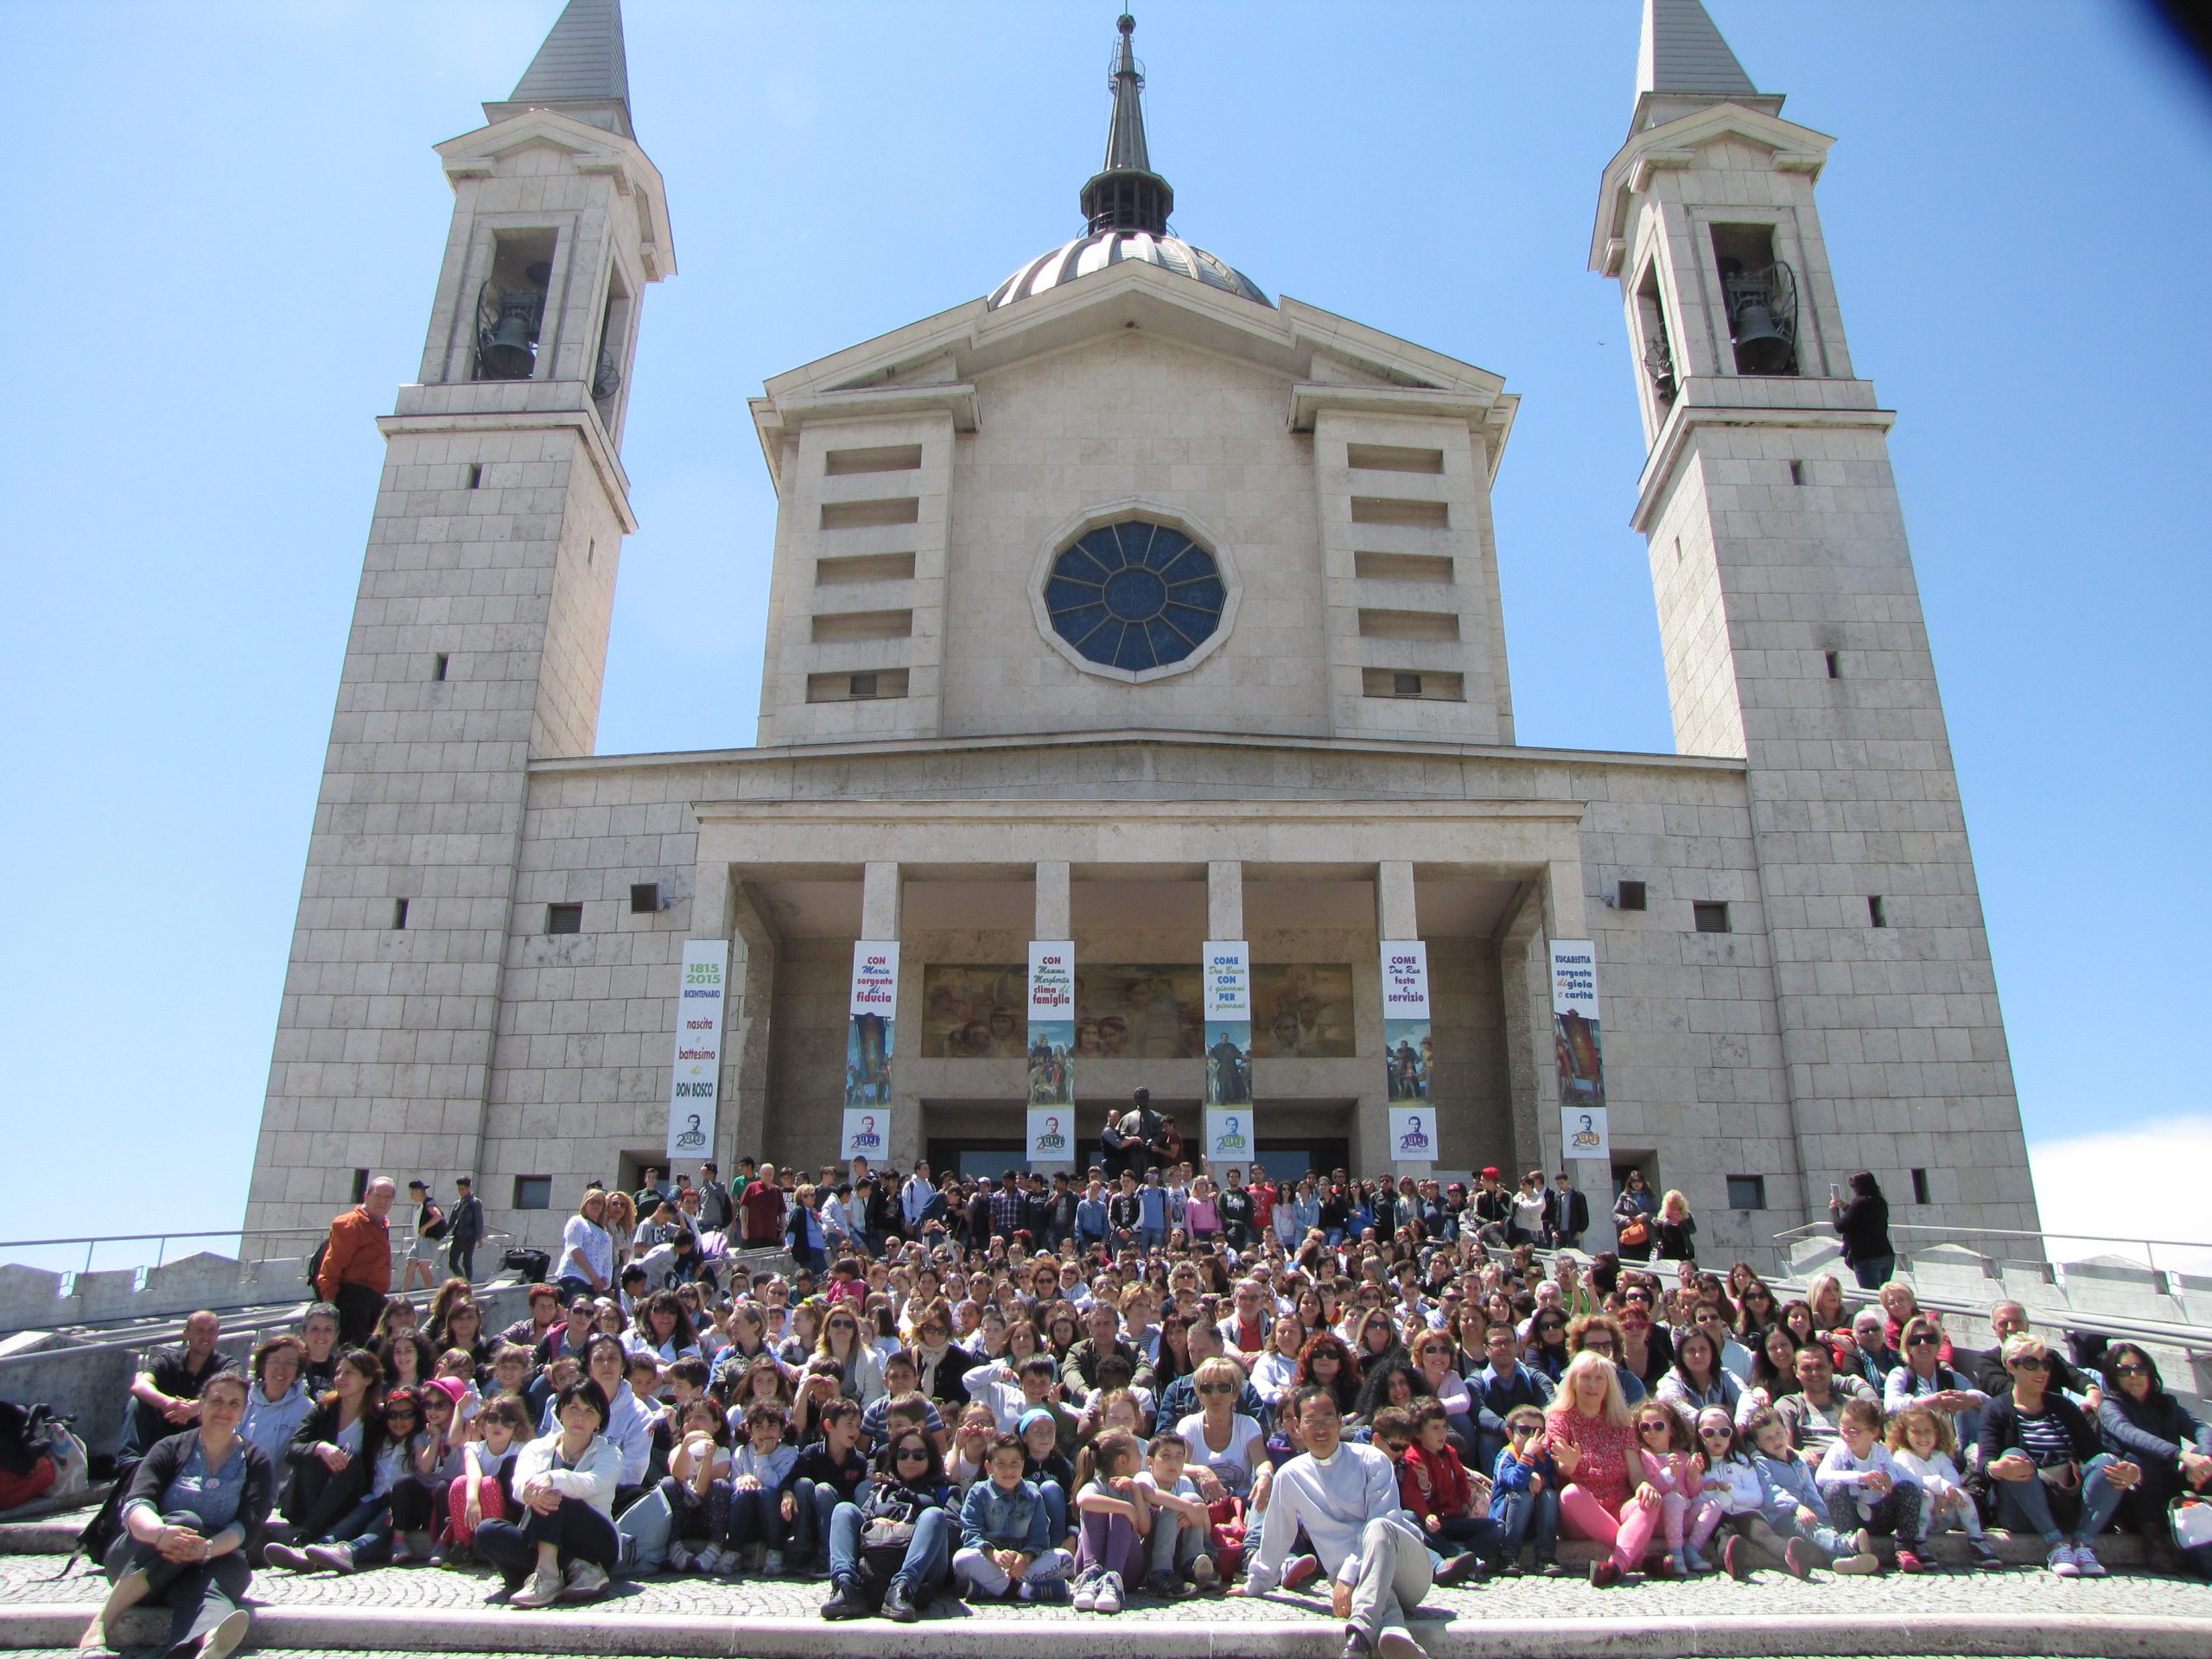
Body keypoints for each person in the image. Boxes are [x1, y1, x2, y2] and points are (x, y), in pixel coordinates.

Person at [1234, 1383, 1436, 1659]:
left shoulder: (1373, 1460)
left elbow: (1386, 1520)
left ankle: (1360, 1637)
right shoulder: (1290, 1476)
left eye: (1328, 1419)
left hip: (1406, 1570)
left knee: (1377, 1528)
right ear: (1297, 1425)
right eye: (1311, 1421)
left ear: (1341, 1421)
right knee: (1376, 1589)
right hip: (1354, 1582)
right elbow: (1276, 1537)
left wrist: (1347, 1576)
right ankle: (1394, 1632)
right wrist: (1255, 1583)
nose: (1320, 1429)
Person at [78, 1370, 270, 1659]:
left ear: (243, 1411)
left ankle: (209, 1641)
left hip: (208, 1556)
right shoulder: (170, 1448)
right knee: (186, 1522)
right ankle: (100, 1624)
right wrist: (160, 1534)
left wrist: (206, 1549)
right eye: (217, 1400)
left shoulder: (255, 1460)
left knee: (229, 1571)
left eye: (234, 1404)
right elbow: (137, 1505)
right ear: (201, 1403)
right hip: (142, 1553)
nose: (224, 1410)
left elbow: (247, 1526)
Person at [1980, 1332, 2139, 1578]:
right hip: (2023, 1507)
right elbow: (1985, 1462)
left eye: (2045, 1364)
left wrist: (2127, 1470)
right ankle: (2056, 1546)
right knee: (2014, 1455)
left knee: (2108, 1463)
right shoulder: (1997, 1409)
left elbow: (2095, 1453)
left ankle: (2083, 1545)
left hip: (2066, 1497)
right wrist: (1997, 1468)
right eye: (2031, 1364)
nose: (2041, 1371)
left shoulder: (2062, 1405)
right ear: (2012, 1367)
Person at [478, 1378, 621, 1605]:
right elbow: (520, 1483)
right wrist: (530, 1492)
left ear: (599, 1420)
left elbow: (596, 1482)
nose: (580, 1416)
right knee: (487, 1531)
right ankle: (565, 1569)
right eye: (573, 1408)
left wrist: (553, 1477)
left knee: (554, 1494)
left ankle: (551, 1574)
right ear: (561, 1411)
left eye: (589, 1410)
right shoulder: (537, 1447)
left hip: (595, 1543)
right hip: (541, 1536)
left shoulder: (609, 1452)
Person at [1544, 1351, 1660, 1587]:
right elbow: (1561, 1467)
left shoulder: (1621, 1421)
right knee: (1571, 1493)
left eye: (1600, 1378)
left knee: (1648, 1501)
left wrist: (1645, 1485)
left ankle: (1616, 1566)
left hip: (1619, 1504)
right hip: (1581, 1513)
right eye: (1586, 1377)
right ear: (1574, 1382)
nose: (1592, 1385)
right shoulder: (1559, 1418)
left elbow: (1636, 1474)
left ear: (1609, 1385)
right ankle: (1640, 1558)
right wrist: (1571, 1464)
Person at [2095, 1342, 2212, 1577]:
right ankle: (2153, 1539)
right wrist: (2181, 1455)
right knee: (2141, 1458)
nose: (2134, 1375)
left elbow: (2200, 1428)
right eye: (2124, 1370)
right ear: (2112, 1375)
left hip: (2167, 1483)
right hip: (2132, 1493)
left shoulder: (2166, 1403)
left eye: (2140, 1368)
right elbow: (2131, 1434)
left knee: (2204, 1457)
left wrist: (2204, 1458)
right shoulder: (2110, 1406)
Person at [818, 1427, 957, 1622]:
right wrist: (874, 1521)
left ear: (930, 1458)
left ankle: (903, 1588)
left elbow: (952, 1531)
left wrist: (911, 1524)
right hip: (877, 1559)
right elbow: (863, 1520)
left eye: (919, 1455)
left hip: (924, 1567)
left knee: (934, 1515)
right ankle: (845, 1586)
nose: (910, 1460)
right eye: (903, 1454)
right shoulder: (881, 1490)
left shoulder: (946, 1491)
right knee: (844, 1509)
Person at [953, 1430, 1073, 1601]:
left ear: (1023, 1465)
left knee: (1065, 1558)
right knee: (962, 1559)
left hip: (1023, 1565)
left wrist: (1024, 1559)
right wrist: (994, 1554)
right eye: (1001, 1464)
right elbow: (971, 1533)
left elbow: (1039, 1537)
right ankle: (1024, 1591)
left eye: (1015, 1463)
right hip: (990, 1562)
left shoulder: (1033, 1494)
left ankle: (990, 1588)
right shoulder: (978, 1493)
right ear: (989, 1467)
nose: (1009, 1470)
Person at [123, 1313, 238, 1469]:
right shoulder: (167, 1361)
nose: (206, 1336)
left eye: (211, 1331)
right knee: (138, 1402)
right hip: (166, 1423)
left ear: (218, 1334)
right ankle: (129, 1463)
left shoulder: (227, 1365)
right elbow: (140, 1385)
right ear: (186, 1334)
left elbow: (232, 1388)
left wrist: (195, 1408)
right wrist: (168, 1403)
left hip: (198, 1433)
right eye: (199, 1331)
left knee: (221, 1406)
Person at [315, 1179, 395, 1347]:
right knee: (354, 1353)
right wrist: (329, 1304)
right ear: (366, 1196)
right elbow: (332, 1265)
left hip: (375, 1299)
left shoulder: (382, 1224)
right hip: (354, 1299)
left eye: (388, 1197)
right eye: (378, 1195)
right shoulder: (350, 1223)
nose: (382, 1201)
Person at [1829, 1172, 1894, 1291]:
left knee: (1870, 1296)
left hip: (1867, 1257)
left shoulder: (1859, 1202)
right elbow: (1865, 1219)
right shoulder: (1879, 1202)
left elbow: (1840, 1226)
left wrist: (1834, 1210)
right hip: (1886, 1255)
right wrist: (1846, 1207)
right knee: (1885, 1295)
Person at [556, 1188, 614, 1305]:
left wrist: (604, 1281)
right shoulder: (577, 1222)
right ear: (585, 1203)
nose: (596, 1205)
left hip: (595, 1286)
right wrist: (594, 1277)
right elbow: (575, 1250)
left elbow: (608, 1262)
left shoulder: (606, 1235)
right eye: (592, 1201)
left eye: (600, 1202)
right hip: (574, 1278)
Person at [401, 1179, 446, 1294]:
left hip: (428, 1239)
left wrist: (425, 1227)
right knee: (411, 1264)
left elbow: (438, 1215)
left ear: (418, 1191)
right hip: (420, 1239)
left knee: (423, 1267)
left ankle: (430, 1295)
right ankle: (404, 1293)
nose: (412, 1197)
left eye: (412, 1193)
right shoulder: (422, 1206)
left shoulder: (429, 1203)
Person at [446, 1176, 485, 1285]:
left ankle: (467, 1283)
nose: (461, 1192)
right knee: (452, 1262)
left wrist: (479, 1238)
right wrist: (441, 1232)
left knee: (466, 1262)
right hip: (458, 1236)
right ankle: (463, 1281)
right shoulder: (458, 1203)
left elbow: (479, 1221)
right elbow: (451, 1221)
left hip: (469, 1236)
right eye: (459, 1189)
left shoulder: (475, 1202)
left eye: (463, 1189)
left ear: (468, 1188)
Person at [1611, 1170, 1657, 1262]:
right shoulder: (1624, 1196)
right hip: (1630, 1235)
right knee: (1631, 1263)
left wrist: (1644, 1216)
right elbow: (1614, 1214)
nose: (1637, 1184)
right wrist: (1626, 1220)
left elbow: (1656, 1212)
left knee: (1645, 1262)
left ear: (1643, 1182)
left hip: (1647, 1235)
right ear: (1630, 1183)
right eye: (1634, 1181)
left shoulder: (1649, 1195)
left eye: (1639, 1181)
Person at [740, 1164, 788, 1249]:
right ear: (760, 1174)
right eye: (765, 1174)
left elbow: (782, 1213)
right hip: (753, 1234)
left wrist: (783, 1230)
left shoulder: (777, 1191)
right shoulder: (752, 1187)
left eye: (770, 1174)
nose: (768, 1177)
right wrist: (744, 1227)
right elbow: (743, 1208)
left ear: (773, 1175)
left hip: (771, 1234)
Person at [1543, 1173, 1588, 1251]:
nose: (1560, 1185)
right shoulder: (1556, 1197)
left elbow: (1584, 1215)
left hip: (1573, 1232)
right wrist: (1553, 1230)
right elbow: (1551, 1216)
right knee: (1560, 1254)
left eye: (1562, 1182)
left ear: (1568, 1181)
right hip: (1559, 1232)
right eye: (1558, 1184)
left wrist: (1580, 1231)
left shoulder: (1578, 1195)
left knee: (1573, 1254)